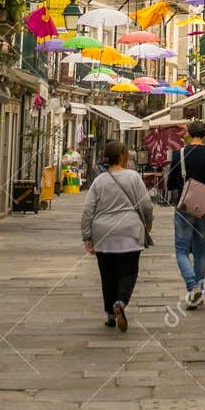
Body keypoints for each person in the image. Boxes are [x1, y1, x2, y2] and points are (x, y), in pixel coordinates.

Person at [81, 139, 153, 331]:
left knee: (108, 275)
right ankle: (121, 302)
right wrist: (148, 222)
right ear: (122, 156)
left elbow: (88, 210)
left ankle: (110, 315)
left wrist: (87, 236)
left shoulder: (99, 181)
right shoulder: (133, 177)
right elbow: (146, 204)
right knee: (129, 272)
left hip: (103, 234)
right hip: (130, 231)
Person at [165, 118, 205, 307]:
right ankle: (198, 288)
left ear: (189, 135)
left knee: (182, 249)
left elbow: (170, 184)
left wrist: (187, 185)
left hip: (184, 207)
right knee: (201, 249)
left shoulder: (179, 154)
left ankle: (192, 287)